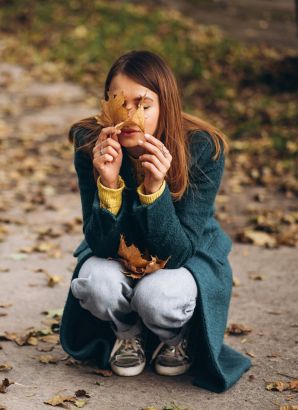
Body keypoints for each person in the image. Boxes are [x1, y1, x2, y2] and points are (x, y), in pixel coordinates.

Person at [58, 50, 251, 392]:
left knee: (157, 296)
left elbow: (178, 252)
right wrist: (110, 184)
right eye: (121, 102)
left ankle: (175, 335)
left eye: (144, 105)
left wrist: (154, 189)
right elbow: (101, 245)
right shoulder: (90, 142)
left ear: (166, 107)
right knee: (93, 281)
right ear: (106, 104)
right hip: (117, 254)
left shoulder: (203, 147)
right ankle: (128, 334)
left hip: (185, 256)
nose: (131, 116)